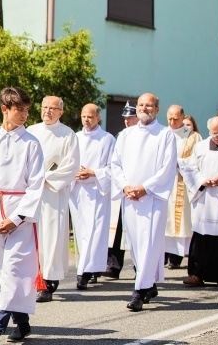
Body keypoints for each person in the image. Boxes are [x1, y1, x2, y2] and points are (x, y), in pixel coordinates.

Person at [0, 87, 44, 345]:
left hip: (19, 209)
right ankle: (23, 322)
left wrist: (16, 218)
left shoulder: (31, 143)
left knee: (16, 267)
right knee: (6, 271)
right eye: (19, 109)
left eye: (27, 109)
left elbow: (36, 184)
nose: (25, 114)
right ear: (5, 109)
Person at [110, 92, 177, 312]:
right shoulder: (125, 135)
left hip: (152, 198)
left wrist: (144, 188)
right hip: (131, 196)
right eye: (141, 105)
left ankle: (139, 291)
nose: (144, 108)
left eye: (149, 105)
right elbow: (116, 165)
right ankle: (149, 284)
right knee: (137, 244)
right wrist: (125, 186)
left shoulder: (165, 135)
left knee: (149, 243)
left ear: (157, 109)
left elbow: (167, 168)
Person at [27, 96, 80, 302]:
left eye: (52, 108)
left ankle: (48, 282)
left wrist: (45, 177)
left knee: (51, 236)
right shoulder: (31, 131)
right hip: (32, 192)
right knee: (33, 236)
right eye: (44, 107)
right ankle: (32, 278)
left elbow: (71, 165)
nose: (47, 111)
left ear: (61, 112)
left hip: (52, 193)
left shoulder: (67, 135)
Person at [69, 104, 116, 289]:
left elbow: (113, 167)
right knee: (81, 233)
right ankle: (86, 269)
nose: (86, 120)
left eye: (90, 116)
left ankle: (84, 273)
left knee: (94, 233)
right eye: (83, 116)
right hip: (78, 191)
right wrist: (75, 172)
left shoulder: (107, 139)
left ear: (98, 118)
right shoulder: (75, 138)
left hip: (96, 190)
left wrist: (93, 172)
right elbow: (68, 162)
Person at [179, 116, 218, 286]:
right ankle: (197, 274)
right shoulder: (201, 147)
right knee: (201, 237)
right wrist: (202, 181)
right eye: (214, 133)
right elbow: (189, 169)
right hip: (205, 198)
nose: (217, 136)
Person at [163, 105, 202, 269]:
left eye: (176, 119)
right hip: (163, 184)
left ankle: (180, 259)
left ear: (183, 117)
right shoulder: (161, 134)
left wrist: (181, 163)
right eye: (169, 118)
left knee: (182, 223)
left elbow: (199, 160)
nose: (172, 122)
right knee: (163, 222)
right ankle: (161, 258)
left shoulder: (194, 137)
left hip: (182, 185)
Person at [105, 101, 139, 279]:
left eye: (130, 117)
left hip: (138, 187)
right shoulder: (121, 135)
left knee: (136, 230)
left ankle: (139, 268)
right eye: (125, 118)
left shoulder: (143, 135)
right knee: (116, 227)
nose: (127, 121)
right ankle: (114, 265)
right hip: (122, 185)